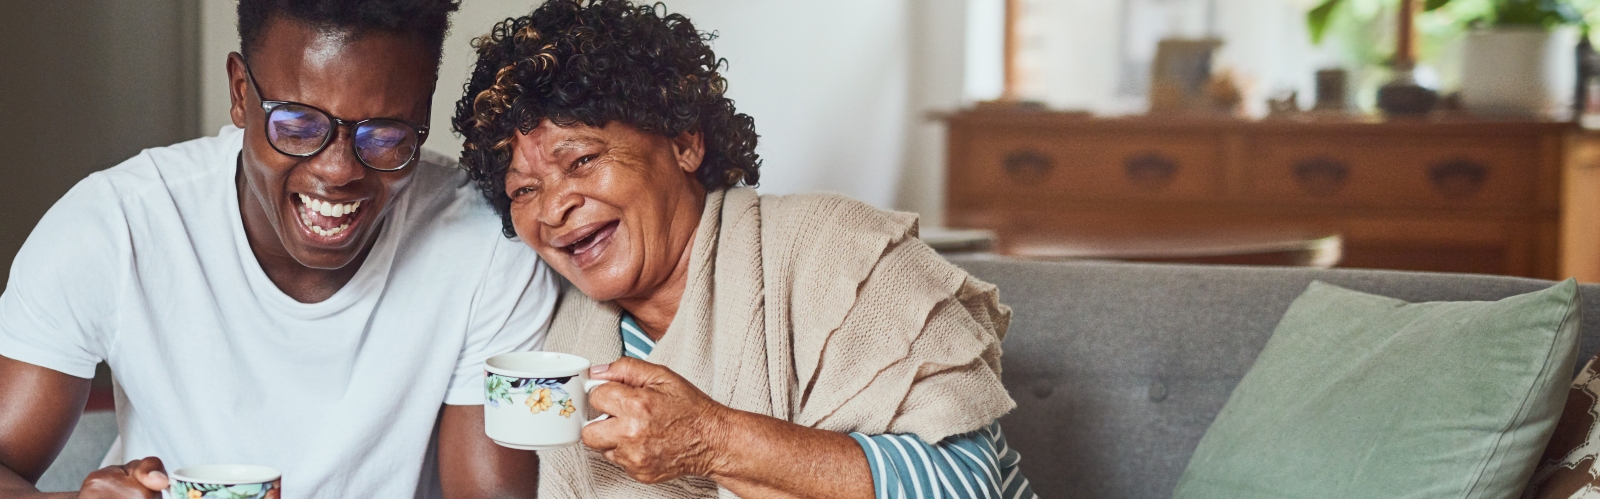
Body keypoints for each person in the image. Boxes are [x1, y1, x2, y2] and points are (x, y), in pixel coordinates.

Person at [452, 1, 1039, 498]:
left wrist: (712, 440)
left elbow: (965, 483)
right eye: (524, 191)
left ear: (684, 141)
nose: (553, 209)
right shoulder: (560, 337)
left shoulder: (841, 253)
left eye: (582, 160)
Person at [0, 1, 555, 498]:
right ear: (241, 93)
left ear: (424, 112)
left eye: (385, 134)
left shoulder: (487, 243)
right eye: (297, 123)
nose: (337, 171)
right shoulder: (116, 225)